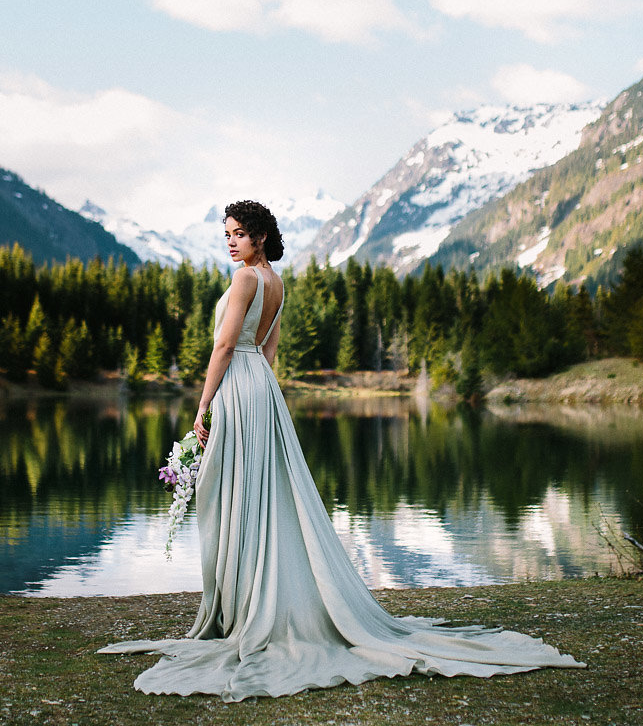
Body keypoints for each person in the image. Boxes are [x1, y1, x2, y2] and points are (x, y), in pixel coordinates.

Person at [99, 199, 583, 701]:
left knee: (239, 491)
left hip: (238, 387)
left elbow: (225, 347)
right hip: (261, 390)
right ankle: (258, 598)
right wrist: (262, 393)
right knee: (263, 493)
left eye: (239, 234)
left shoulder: (245, 280)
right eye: (227, 233)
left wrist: (203, 406)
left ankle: (247, 605)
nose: (231, 241)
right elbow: (269, 351)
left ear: (260, 237)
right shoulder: (276, 283)